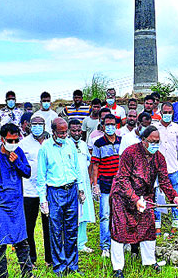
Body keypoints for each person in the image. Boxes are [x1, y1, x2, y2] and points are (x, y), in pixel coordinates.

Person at [109, 126, 178, 276]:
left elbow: (164, 181)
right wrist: (135, 199)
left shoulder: (159, 157)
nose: (155, 144)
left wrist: (174, 197)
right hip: (122, 196)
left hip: (145, 196)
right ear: (143, 140)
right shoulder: (129, 153)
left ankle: (149, 262)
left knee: (148, 227)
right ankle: (117, 268)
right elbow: (123, 179)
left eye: (157, 141)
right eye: (152, 141)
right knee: (120, 229)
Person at [0, 123, 33, 278]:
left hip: (16, 205)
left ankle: (27, 273)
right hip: (0, 206)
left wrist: (17, 162)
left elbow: (27, 172)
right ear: (2, 139)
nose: (13, 144)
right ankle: (2, 275)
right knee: (0, 243)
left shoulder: (18, 153)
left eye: (15, 140)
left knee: (22, 242)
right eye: (10, 141)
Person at [37, 118, 85, 275]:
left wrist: (81, 188)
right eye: (61, 132)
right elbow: (41, 176)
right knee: (56, 231)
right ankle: (60, 266)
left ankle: (73, 265)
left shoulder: (70, 144)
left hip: (71, 189)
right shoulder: (45, 148)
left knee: (72, 229)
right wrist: (43, 200)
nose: (64, 135)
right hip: (55, 192)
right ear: (53, 132)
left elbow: (76, 168)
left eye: (66, 132)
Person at [19, 115, 52, 266]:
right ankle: (31, 258)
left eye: (40, 124)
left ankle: (50, 259)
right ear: (29, 126)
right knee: (29, 226)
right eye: (35, 124)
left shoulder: (50, 143)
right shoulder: (23, 144)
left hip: (47, 191)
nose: (37, 126)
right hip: (29, 190)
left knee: (49, 226)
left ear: (45, 126)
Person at [153, 102, 178, 236]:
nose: (167, 115)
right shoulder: (155, 128)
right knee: (158, 198)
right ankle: (157, 226)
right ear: (161, 113)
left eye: (169, 112)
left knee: (175, 196)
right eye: (165, 112)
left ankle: (175, 224)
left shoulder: (176, 128)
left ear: (173, 113)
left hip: (173, 168)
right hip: (158, 170)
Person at [91, 114, 122, 257]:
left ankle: (123, 241)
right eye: (107, 124)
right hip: (105, 184)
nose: (110, 127)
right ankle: (105, 246)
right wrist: (95, 184)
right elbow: (95, 165)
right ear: (103, 126)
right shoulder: (98, 143)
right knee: (105, 215)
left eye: (112, 124)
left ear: (116, 125)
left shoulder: (122, 141)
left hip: (121, 184)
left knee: (122, 214)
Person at [68, 119, 95, 254]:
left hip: (84, 183)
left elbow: (89, 162)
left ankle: (81, 243)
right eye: (74, 130)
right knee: (72, 214)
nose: (77, 133)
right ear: (68, 131)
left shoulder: (84, 145)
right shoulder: (65, 145)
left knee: (84, 214)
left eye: (79, 130)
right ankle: (70, 243)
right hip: (71, 185)